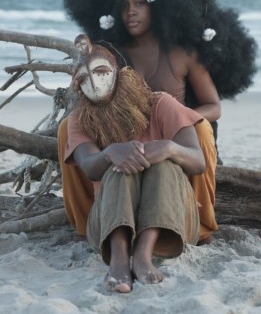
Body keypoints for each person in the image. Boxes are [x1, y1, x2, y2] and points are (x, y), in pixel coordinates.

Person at [58, 0, 257, 243]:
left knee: (203, 127)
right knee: (65, 128)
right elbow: (90, 100)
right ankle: (86, 219)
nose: (131, 12)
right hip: (124, 138)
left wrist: (176, 118)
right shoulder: (109, 51)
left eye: (139, 3)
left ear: (161, 5)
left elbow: (214, 107)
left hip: (173, 134)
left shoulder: (183, 52)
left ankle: (201, 220)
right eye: (123, 5)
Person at [63, 35, 205, 292]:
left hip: (173, 223)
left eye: (101, 72)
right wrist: (109, 154)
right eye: (84, 78)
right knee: (119, 164)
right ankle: (118, 258)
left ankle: (143, 255)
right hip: (106, 226)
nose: (94, 83)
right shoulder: (79, 119)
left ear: (117, 71)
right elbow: (88, 165)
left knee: (164, 164)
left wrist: (168, 148)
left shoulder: (160, 103)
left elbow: (198, 161)